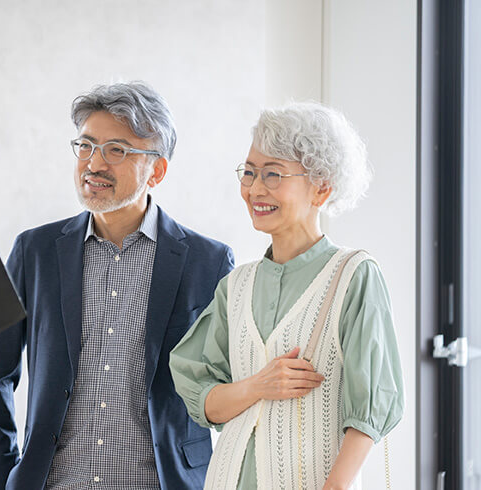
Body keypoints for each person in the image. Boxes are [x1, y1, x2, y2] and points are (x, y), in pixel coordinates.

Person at [0, 81, 234, 490]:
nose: (94, 164)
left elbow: (224, 385)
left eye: (117, 151)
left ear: (157, 169)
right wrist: (4, 477)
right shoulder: (35, 251)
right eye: (86, 146)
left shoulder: (209, 262)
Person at [169, 102, 404, 489]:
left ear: (322, 187)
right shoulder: (236, 285)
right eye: (249, 172)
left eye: (273, 174)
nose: (254, 189)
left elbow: (372, 410)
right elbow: (202, 397)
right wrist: (257, 386)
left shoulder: (354, 275)